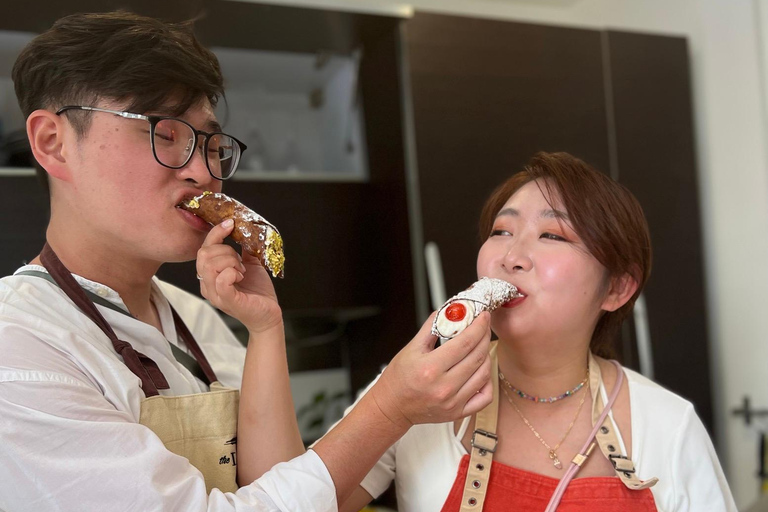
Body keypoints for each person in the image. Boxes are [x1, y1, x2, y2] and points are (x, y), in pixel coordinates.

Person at [0, 11, 494, 511]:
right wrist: (391, 408)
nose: (201, 171)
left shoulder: (193, 317)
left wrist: (266, 330)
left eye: (211, 144)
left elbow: (277, 486)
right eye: (165, 134)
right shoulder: (19, 344)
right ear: (53, 143)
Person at [334, 152, 738, 511]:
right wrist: (268, 328)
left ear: (616, 288)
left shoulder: (669, 425)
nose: (510, 257)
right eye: (500, 232)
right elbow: (289, 499)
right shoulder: (417, 395)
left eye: (552, 235)